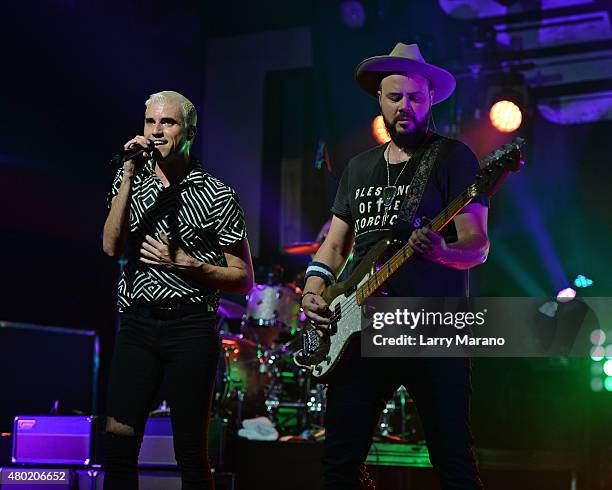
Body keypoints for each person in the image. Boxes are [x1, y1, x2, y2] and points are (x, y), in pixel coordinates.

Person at [301, 43, 490, 489]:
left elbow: (478, 245)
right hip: (360, 328)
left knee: (453, 462)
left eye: (415, 97)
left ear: (429, 100)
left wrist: (439, 251)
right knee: (340, 463)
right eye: (395, 97)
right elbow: (333, 247)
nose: (405, 107)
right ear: (380, 100)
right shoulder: (358, 168)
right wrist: (313, 288)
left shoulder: (453, 157)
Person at [102, 90, 254, 489]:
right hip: (137, 324)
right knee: (118, 443)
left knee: (190, 451)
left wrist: (186, 264)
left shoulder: (216, 194)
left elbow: (243, 278)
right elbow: (110, 247)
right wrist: (129, 176)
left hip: (190, 327)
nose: (156, 131)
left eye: (167, 123)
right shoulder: (128, 178)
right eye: (151, 122)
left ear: (189, 132)